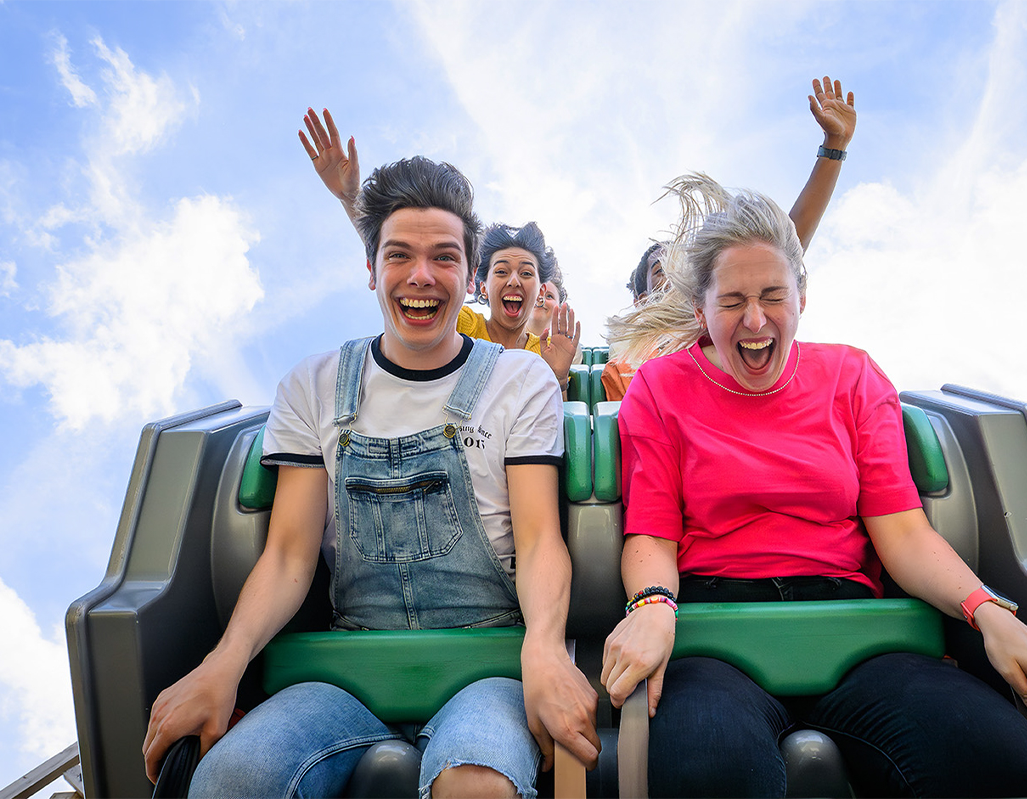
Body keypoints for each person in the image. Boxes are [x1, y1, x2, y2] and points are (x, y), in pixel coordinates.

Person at [599, 173, 1027, 799]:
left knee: (994, 764)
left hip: (855, 631)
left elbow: (904, 532)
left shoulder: (851, 376)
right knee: (708, 772)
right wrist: (652, 608)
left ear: (802, 296)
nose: (754, 320)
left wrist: (988, 611)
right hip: (717, 633)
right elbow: (652, 533)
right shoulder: (660, 387)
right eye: (732, 301)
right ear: (700, 311)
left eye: (773, 295)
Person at [143, 156, 599, 799]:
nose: (421, 277)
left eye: (444, 257)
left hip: (486, 659)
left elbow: (538, 539)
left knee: (478, 783)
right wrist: (223, 662)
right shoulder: (314, 386)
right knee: (233, 778)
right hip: (349, 665)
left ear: (468, 276)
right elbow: (288, 554)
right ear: (371, 268)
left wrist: (546, 648)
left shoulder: (519, 381)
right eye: (399, 256)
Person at [601, 76, 857, 402]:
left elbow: (788, 243)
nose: (673, 275)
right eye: (660, 271)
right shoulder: (629, 362)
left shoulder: (720, 322)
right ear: (641, 297)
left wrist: (833, 149)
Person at [300, 110, 581, 389]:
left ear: (541, 290)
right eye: (502, 271)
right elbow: (397, 252)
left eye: (526, 273)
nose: (514, 281)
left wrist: (557, 376)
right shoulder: (465, 324)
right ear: (480, 285)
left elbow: (557, 427)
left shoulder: (543, 351)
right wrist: (351, 199)